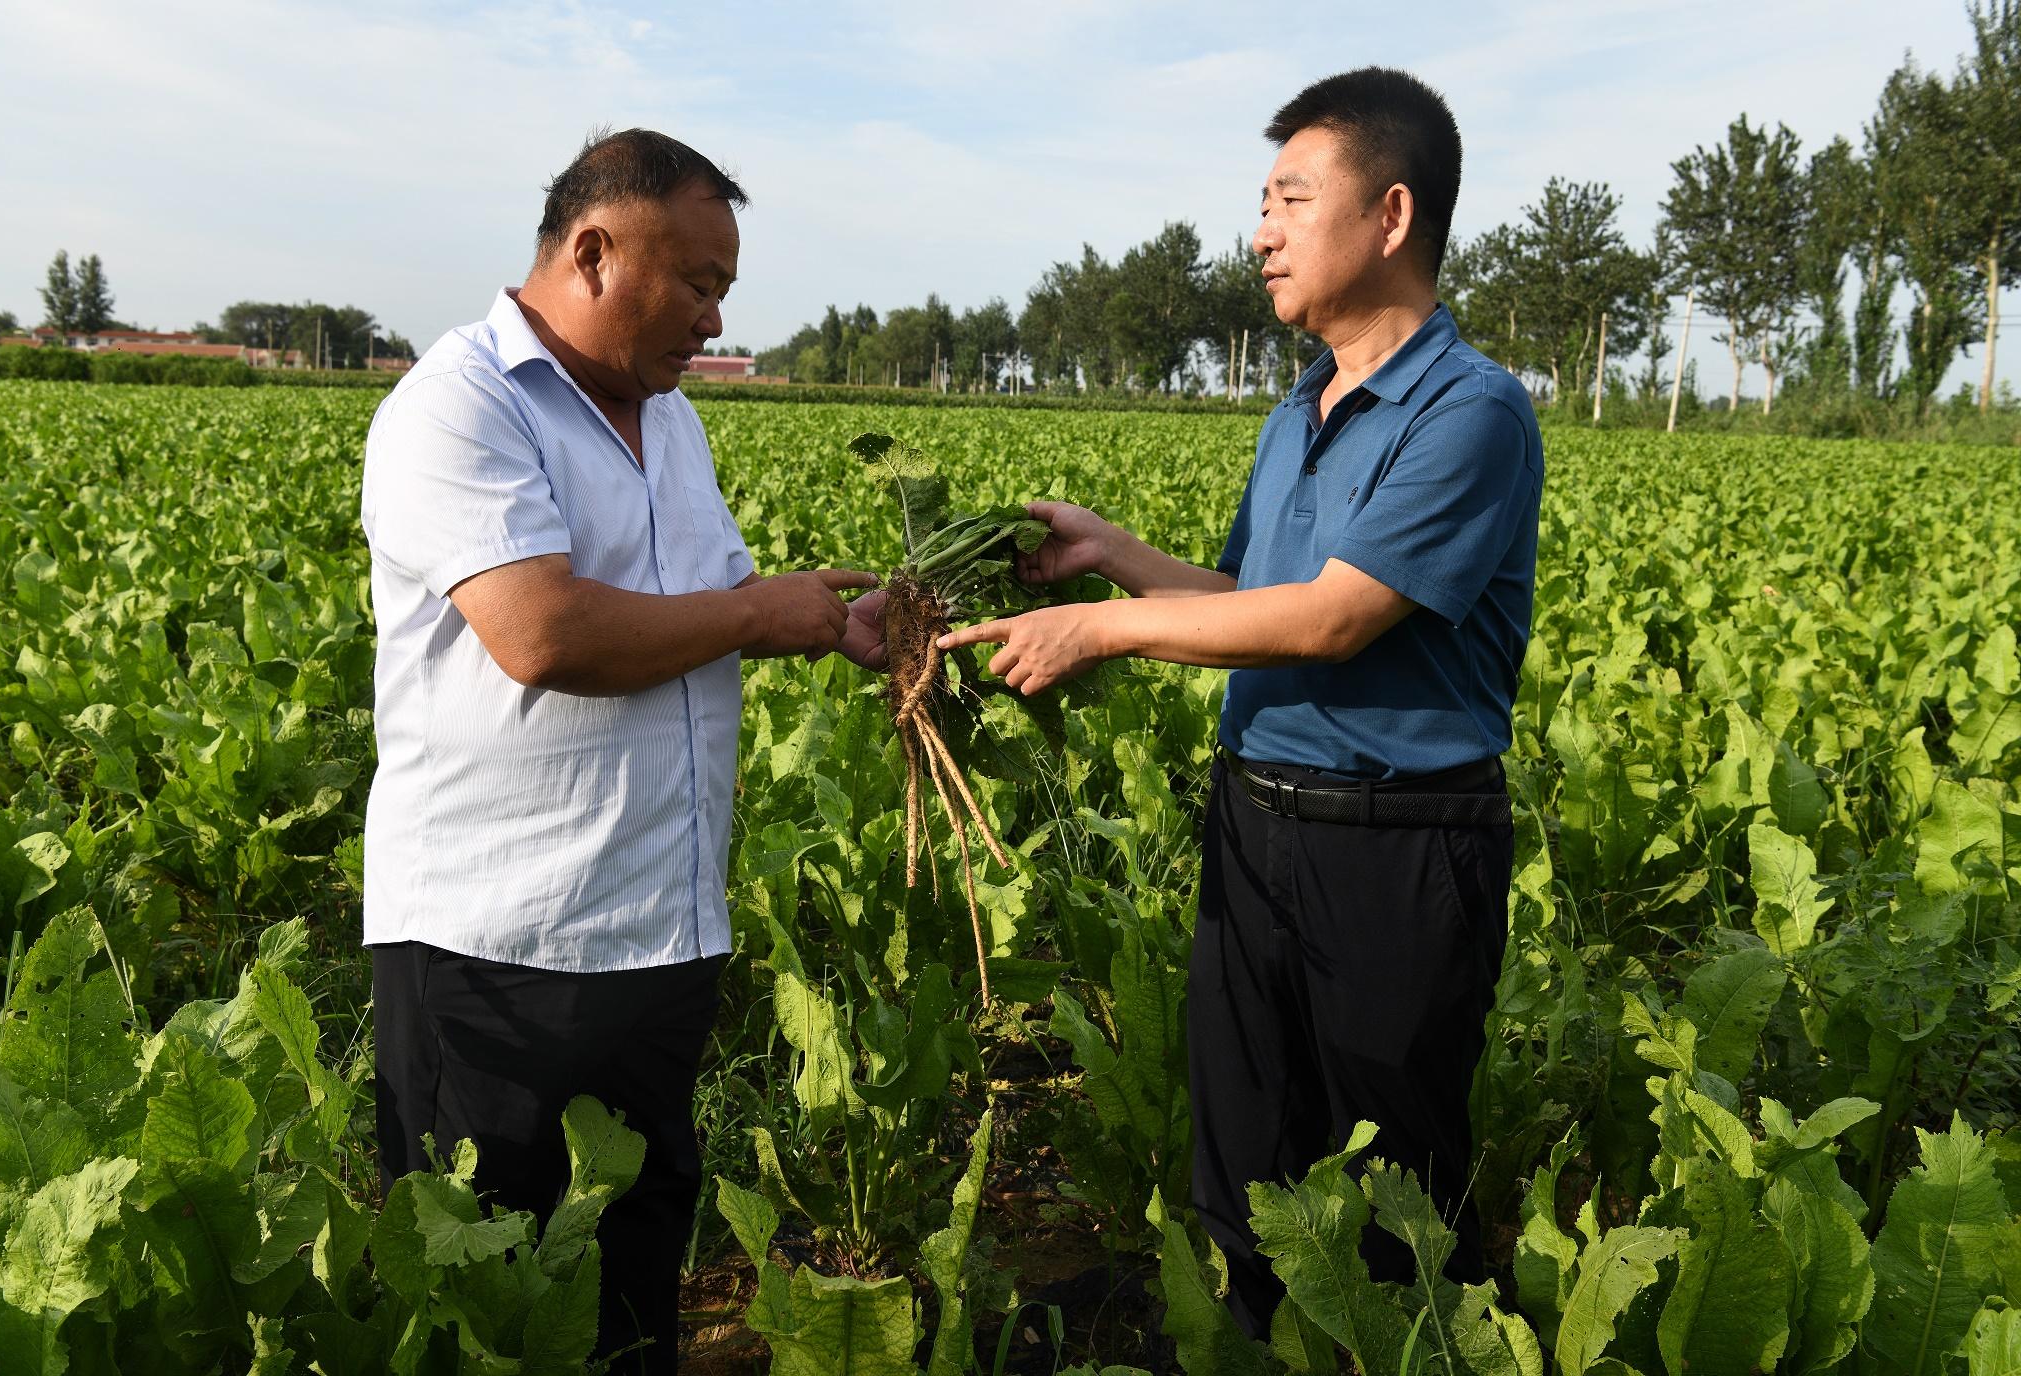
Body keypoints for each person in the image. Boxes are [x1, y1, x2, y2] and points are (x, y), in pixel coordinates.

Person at [939, 68, 1542, 1336]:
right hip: (1258, 819)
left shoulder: (1467, 409)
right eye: (1260, 202)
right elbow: (1246, 594)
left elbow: (1331, 617)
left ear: (1389, 213)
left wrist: (1101, 627)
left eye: (1286, 198)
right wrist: (1109, 551)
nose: (1259, 231)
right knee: (1247, 1150)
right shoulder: (1299, 411)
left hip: (1396, 841)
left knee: (1388, 1186)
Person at [358, 128, 883, 1372]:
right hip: (499, 949)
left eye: (724, 290)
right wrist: (761, 611)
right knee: (484, 1296)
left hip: (657, 932)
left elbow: (698, 611)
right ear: (592, 251)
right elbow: (542, 632)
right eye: (697, 283)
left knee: (632, 1286)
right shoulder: (461, 404)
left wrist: (832, 622)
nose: (711, 317)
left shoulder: (670, 424)